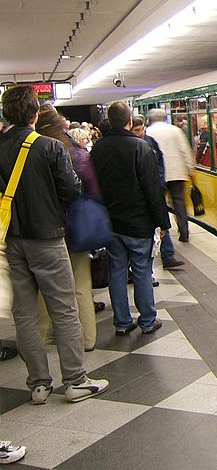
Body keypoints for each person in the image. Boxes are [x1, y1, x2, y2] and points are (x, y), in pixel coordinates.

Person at [0, 86, 109, 404]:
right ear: (34, 113)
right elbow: (71, 190)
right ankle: (75, 379)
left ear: (6, 114)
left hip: (11, 240)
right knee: (64, 310)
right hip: (47, 238)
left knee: (25, 315)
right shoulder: (50, 147)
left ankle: (38, 384)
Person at [90, 102, 169, 336]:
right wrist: (162, 222)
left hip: (111, 222)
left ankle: (122, 322)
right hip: (138, 223)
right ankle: (147, 321)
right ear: (130, 122)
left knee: (116, 271)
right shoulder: (139, 147)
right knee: (142, 270)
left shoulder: (98, 148)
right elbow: (152, 189)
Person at [34, 108, 98, 352]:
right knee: (81, 285)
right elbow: (89, 188)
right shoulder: (75, 152)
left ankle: (45, 336)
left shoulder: (32, 151)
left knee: (45, 286)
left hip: (46, 228)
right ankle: (87, 339)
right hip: (77, 228)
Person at [131, 115, 183, 269]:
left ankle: (168, 255)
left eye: (140, 130)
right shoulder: (136, 145)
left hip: (155, 189)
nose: (139, 133)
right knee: (156, 223)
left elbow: (160, 162)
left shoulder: (149, 142)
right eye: (135, 130)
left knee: (162, 221)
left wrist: (160, 182)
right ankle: (160, 258)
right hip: (144, 193)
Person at [145, 108, 194, 244]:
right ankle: (184, 232)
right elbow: (185, 150)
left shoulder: (148, 132)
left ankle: (163, 235)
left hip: (158, 175)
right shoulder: (175, 130)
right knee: (179, 202)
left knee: (160, 205)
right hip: (177, 172)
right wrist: (190, 169)